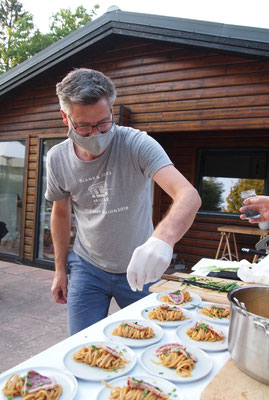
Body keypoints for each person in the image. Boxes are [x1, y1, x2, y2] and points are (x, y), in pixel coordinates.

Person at [45, 68, 201, 335]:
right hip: (87, 267)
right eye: (83, 126)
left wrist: (162, 239)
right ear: (65, 118)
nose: (96, 134)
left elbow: (188, 195)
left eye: (104, 123)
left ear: (112, 112)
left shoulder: (137, 144)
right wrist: (60, 269)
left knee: (153, 342)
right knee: (83, 346)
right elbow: (60, 213)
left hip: (139, 268)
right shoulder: (57, 158)